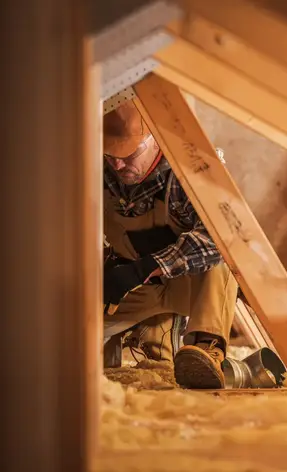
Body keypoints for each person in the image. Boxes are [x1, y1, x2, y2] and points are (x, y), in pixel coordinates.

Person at [101, 100, 237, 389]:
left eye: (127, 155)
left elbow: (221, 236)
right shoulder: (101, 171)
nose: (118, 164)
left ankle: (205, 347)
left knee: (221, 256)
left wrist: (146, 267)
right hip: (136, 286)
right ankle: (154, 333)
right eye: (111, 156)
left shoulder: (189, 169)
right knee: (64, 332)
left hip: (190, 286)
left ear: (154, 140)